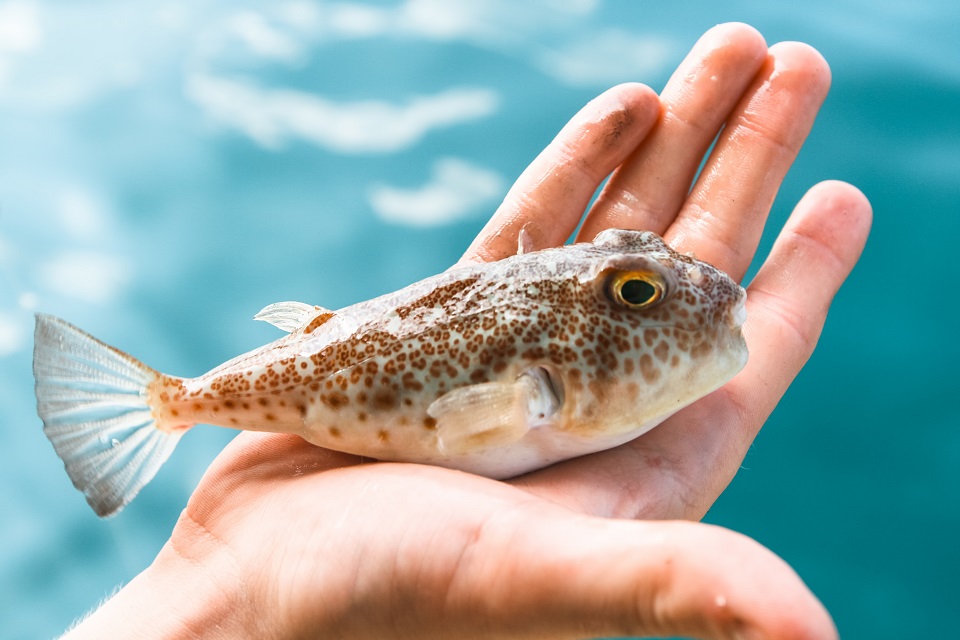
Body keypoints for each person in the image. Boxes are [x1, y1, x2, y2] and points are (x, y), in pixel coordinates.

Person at [62, 23, 871, 640]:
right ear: (553, 371)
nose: (693, 298)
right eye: (634, 292)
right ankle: (164, 404)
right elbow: (463, 419)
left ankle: (166, 402)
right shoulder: (535, 381)